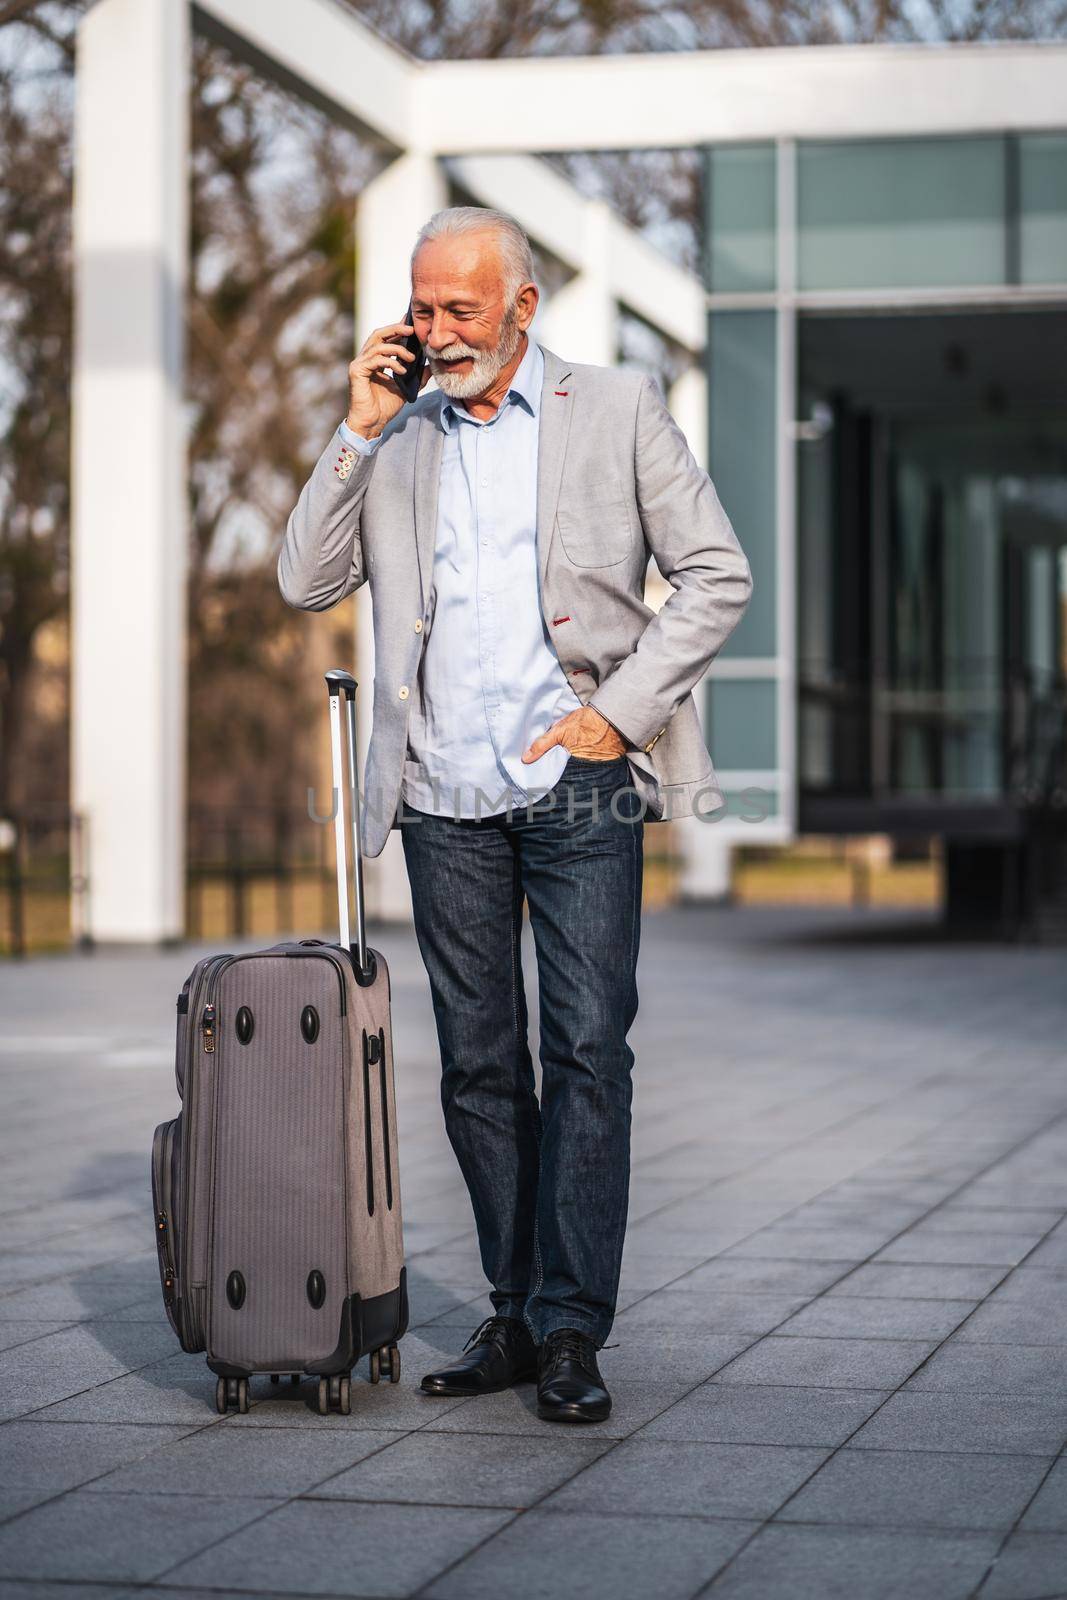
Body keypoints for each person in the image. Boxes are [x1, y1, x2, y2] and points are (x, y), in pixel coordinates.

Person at [279, 205, 752, 1423]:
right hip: (441, 789)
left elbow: (716, 572)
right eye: (421, 308)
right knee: (481, 1066)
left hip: (577, 781)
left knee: (588, 1048)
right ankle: (513, 1302)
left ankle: (571, 1330)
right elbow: (303, 579)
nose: (435, 333)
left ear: (523, 307)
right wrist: (355, 429)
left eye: (460, 311)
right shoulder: (396, 435)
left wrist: (622, 712)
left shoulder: (618, 408)